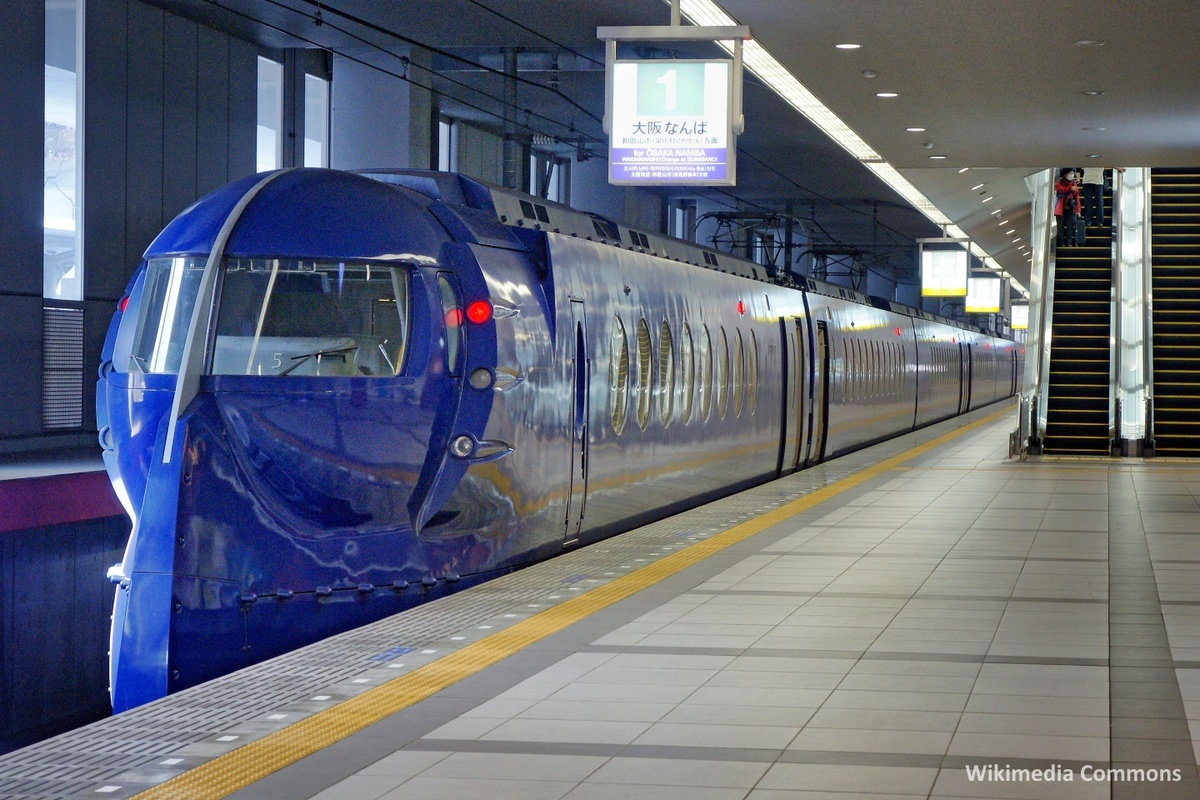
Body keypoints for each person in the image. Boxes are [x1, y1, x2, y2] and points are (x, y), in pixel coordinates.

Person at [1054, 168, 1083, 246]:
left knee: (1070, 226)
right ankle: (1061, 242)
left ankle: (1069, 242)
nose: (1072, 175)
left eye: (1072, 173)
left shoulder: (1074, 184)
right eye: (1070, 173)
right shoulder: (1059, 183)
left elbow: (1077, 197)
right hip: (1060, 209)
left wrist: (1078, 209)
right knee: (1060, 227)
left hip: (1070, 208)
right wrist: (1070, 189)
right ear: (1065, 175)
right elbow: (1061, 191)